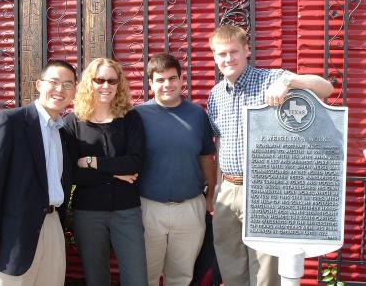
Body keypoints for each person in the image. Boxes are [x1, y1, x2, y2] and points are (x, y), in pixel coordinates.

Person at [207, 25, 334, 286]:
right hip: (228, 189)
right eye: (222, 54)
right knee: (231, 266)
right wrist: (218, 187)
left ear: (247, 51)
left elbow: (326, 88)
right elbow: (219, 143)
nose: (228, 59)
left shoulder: (271, 79)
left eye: (234, 52)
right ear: (215, 57)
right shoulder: (215, 95)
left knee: (265, 271)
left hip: (263, 190)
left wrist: (290, 81)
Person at [0, 60, 77, 285]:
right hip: (12, 234)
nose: (60, 90)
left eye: (68, 85)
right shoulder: (10, 122)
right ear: (39, 85)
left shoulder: (65, 134)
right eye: (54, 82)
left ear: (74, 92)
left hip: (52, 228)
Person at [63, 58, 148, 286]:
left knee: (137, 278)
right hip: (88, 213)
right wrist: (114, 172)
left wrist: (91, 161)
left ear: (119, 84)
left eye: (112, 80)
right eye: (100, 80)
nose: (106, 86)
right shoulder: (73, 122)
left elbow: (135, 163)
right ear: (89, 82)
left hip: (127, 211)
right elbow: (73, 174)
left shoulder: (130, 118)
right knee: (96, 279)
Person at [136, 53, 217, 286]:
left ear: (182, 80)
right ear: (150, 83)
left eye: (172, 78)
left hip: (190, 208)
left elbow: (206, 156)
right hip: (148, 207)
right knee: (146, 276)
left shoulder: (196, 114)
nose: (167, 85)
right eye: (160, 80)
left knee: (181, 276)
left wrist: (211, 193)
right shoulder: (138, 116)